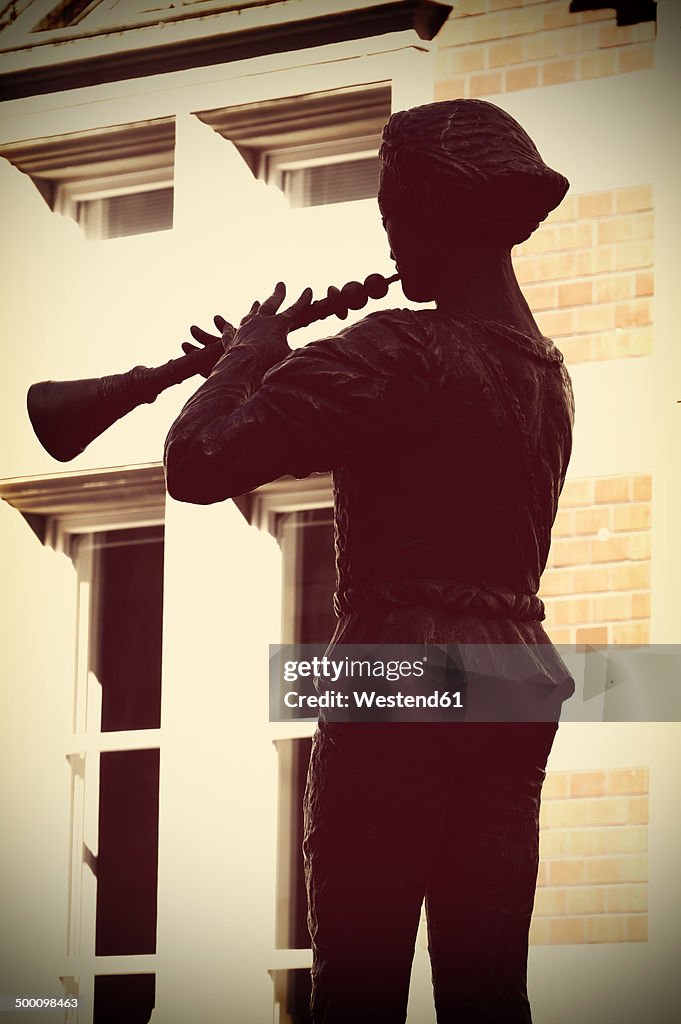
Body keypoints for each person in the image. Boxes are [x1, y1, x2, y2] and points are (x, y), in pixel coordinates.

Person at [164, 99, 575, 1023]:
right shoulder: (547, 372)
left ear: (438, 205)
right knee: (486, 991)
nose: (387, 231)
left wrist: (241, 362)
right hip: (515, 677)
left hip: (398, 665)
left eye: (394, 206)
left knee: (355, 982)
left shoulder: (397, 349)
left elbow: (195, 465)